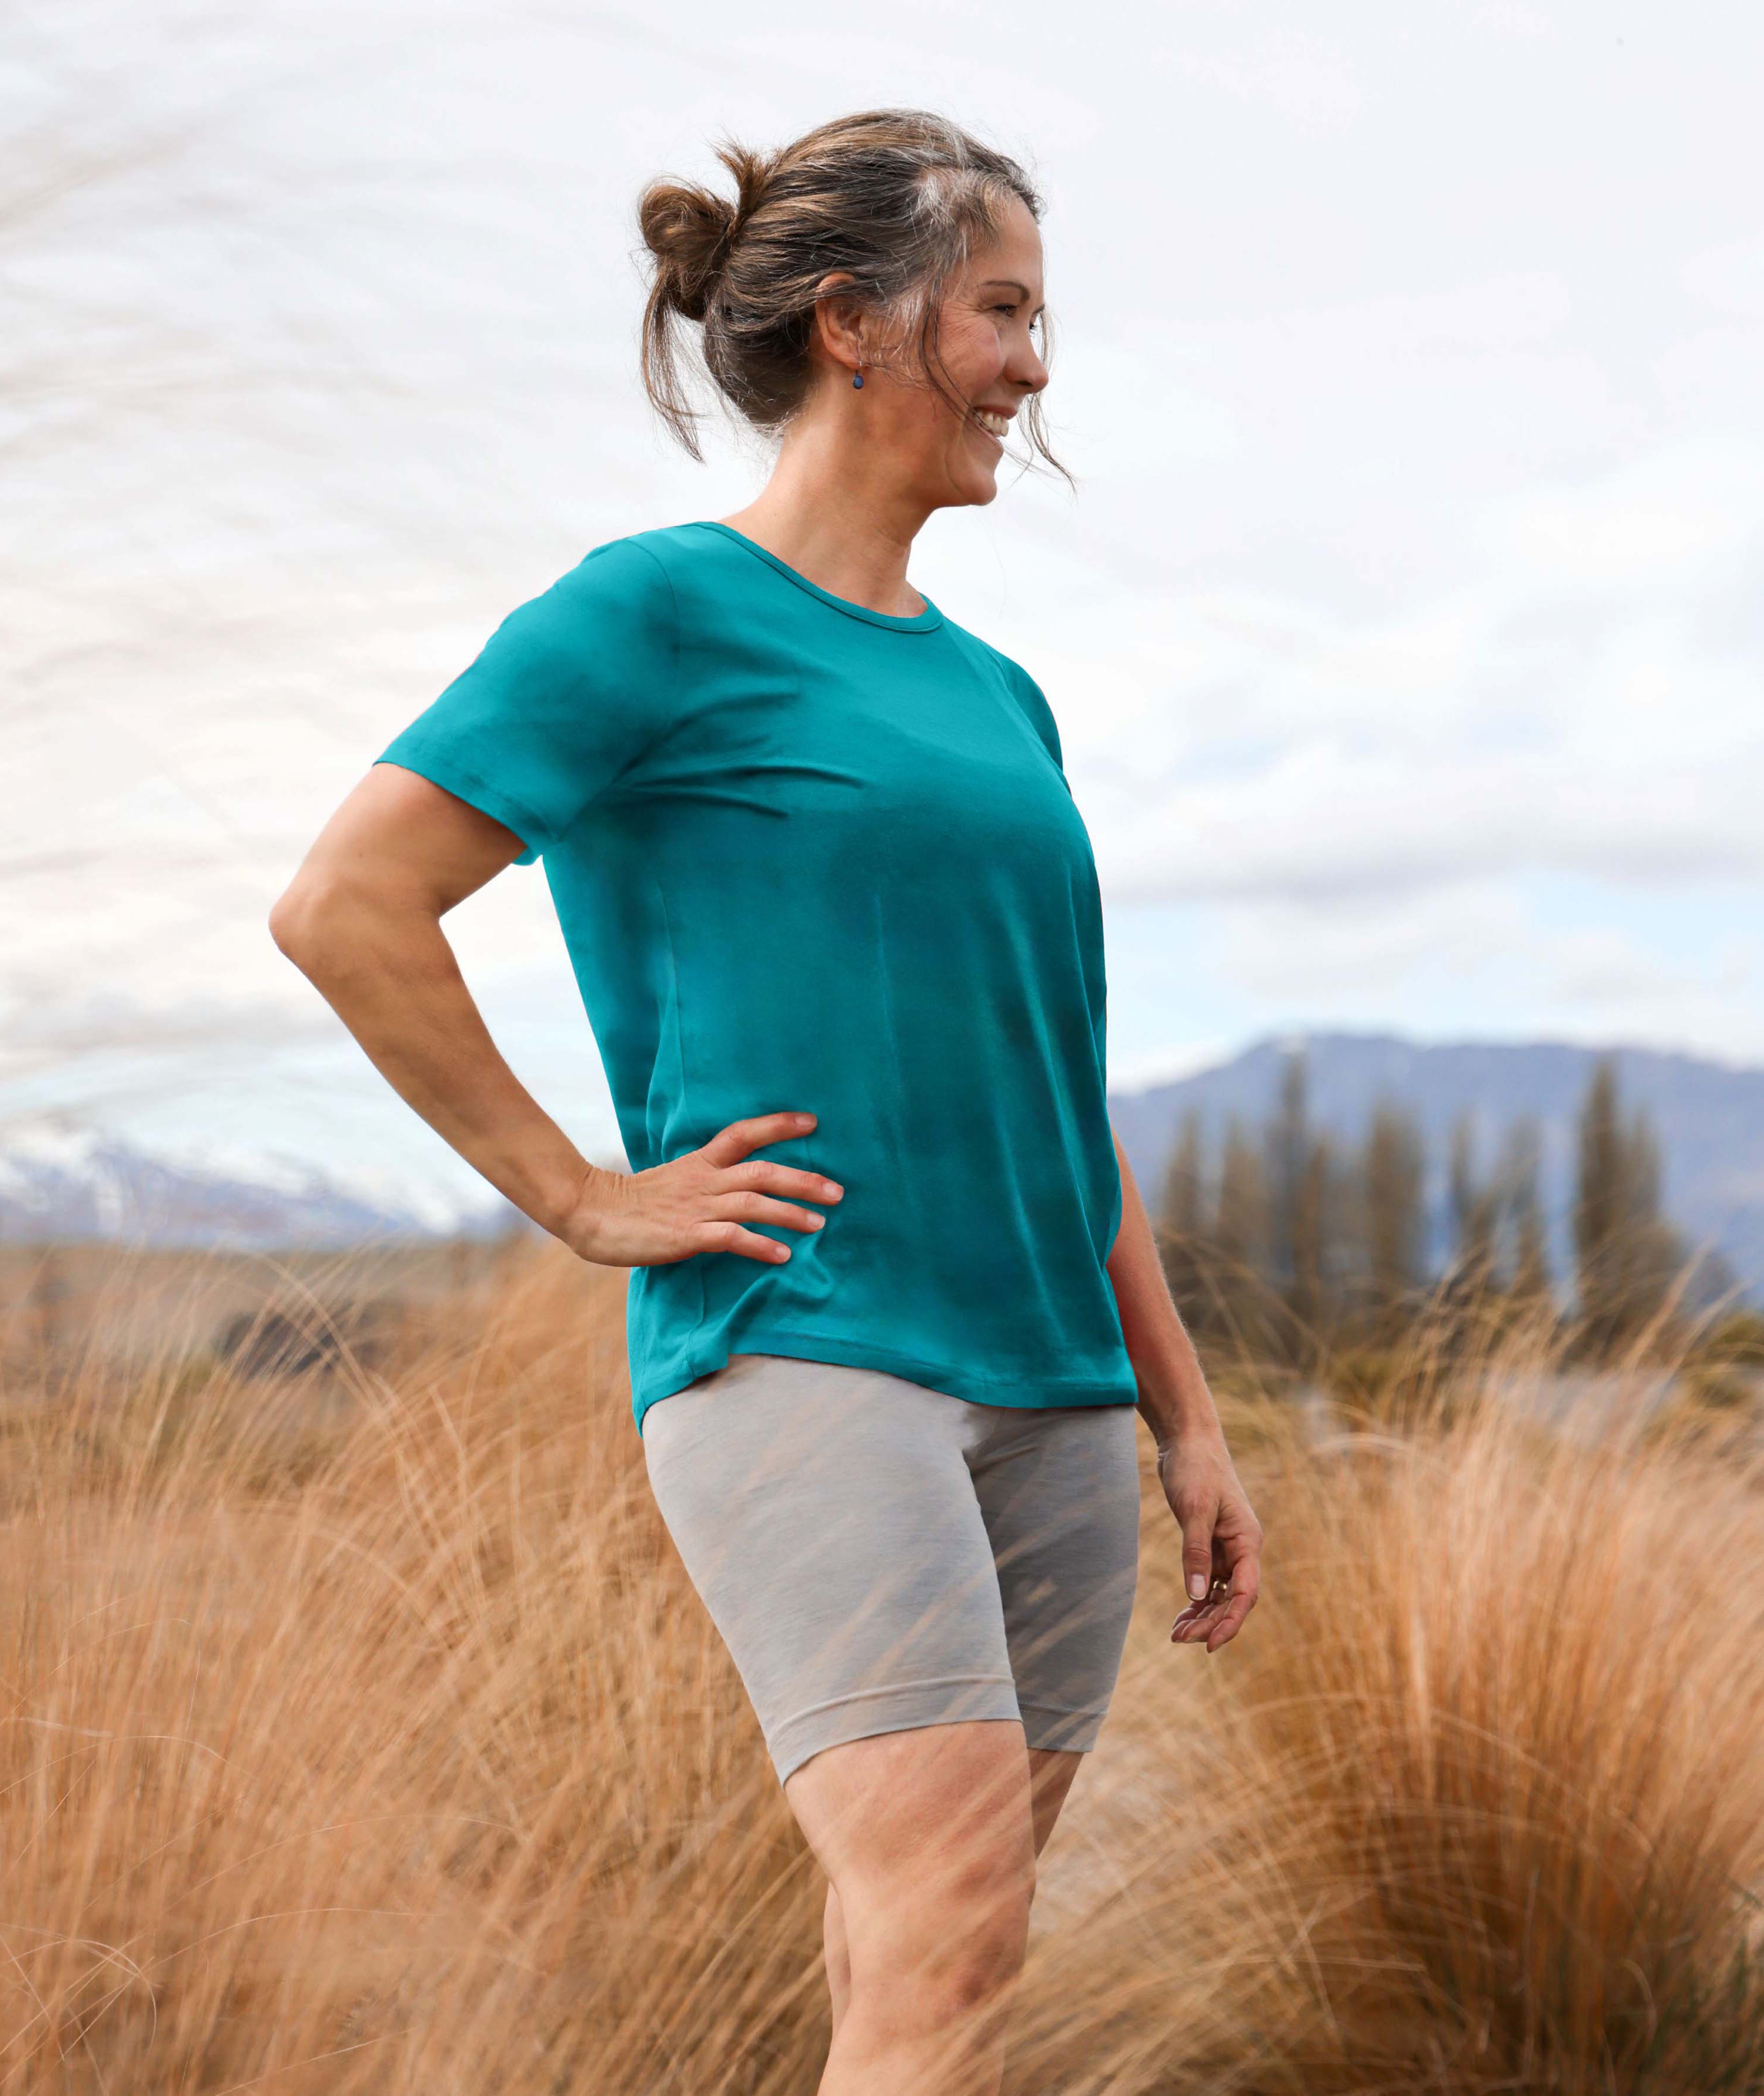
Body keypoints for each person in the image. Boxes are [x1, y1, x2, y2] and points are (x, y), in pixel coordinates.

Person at [270, 107, 1263, 2096]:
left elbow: (1048, 1077)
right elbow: (348, 904)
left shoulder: (1000, 697)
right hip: (809, 1348)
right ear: (853, 326)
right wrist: (582, 1195)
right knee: (952, 1916)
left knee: (928, 1963)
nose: (1036, 365)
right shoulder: (651, 617)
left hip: (1053, 1383)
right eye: (1002, 311)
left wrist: (1186, 1410)